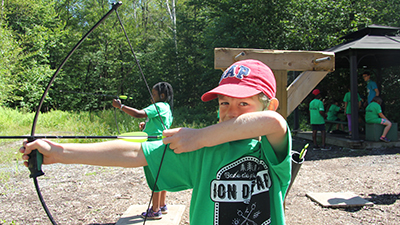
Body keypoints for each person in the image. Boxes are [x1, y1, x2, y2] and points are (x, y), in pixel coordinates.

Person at [20, 59, 291, 225]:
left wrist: (199, 136)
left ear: (271, 105)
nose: (231, 111)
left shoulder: (270, 151)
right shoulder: (203, 152)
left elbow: (273, 123)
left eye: (244, 103)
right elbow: (135, 152)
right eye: (224, 103)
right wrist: (59, 152)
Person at [112, 82, 173, 220]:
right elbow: (159, 124)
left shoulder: (158, 106)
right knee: (161, 176)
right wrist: (146, 125)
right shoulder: (166, 107)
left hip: (152, 148)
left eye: (154, 94)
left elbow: (138, 114)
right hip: (161, 145)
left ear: (162, 95)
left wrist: (120, 106)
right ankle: (162, 205)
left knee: (154, 178)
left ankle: (155, 210)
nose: (152, 96)